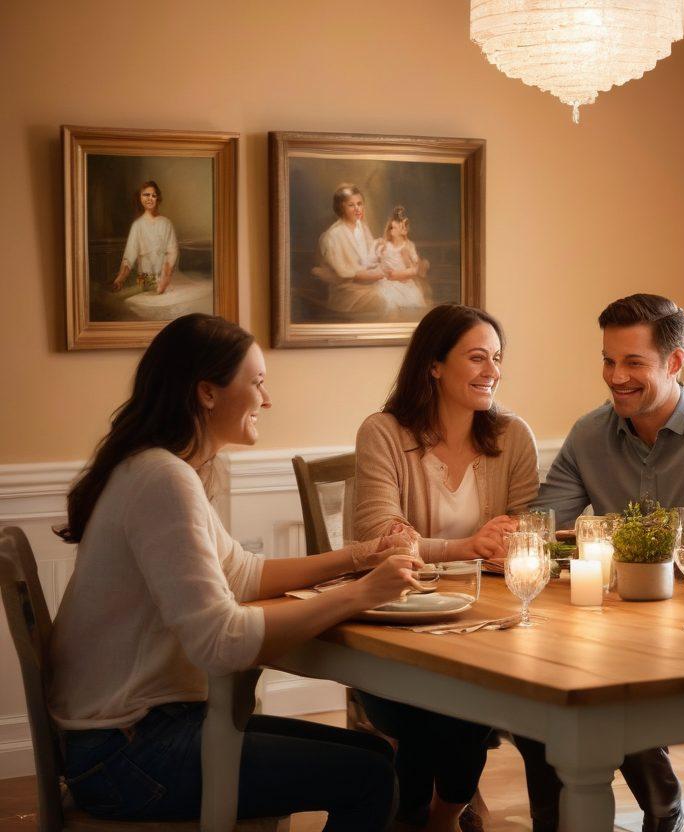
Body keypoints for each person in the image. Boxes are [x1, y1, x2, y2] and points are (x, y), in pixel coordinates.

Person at [48, 313, 426, 830]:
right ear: (207, 392)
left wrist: (360, 555)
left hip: (124, 739)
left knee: (378, 758)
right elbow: (219, 642)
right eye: (258, 383)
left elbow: (241, 573)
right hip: (127, 754)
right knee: (371, 776)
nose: (267, 400)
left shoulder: (159, 467)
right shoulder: (163, 479)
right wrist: (361, 594)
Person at [522, 293, 684, 832]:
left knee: (594, 674)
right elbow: (542, 530)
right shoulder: (589, 433)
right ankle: (571, 820)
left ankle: (661, 810)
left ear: (675, 361)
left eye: (633, 362)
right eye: (609, 360)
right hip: (618, 629)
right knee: (533, 686)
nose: (616, 376)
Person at [352, 303, 540, 832]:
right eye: (477, 358)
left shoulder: (513, 437)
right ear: (434, 365)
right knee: (439, 704)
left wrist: (512, 544)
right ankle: (438, 812)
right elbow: (380, 540)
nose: (492, 372)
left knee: (471, 688)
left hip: (486, 623)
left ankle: (436, 813)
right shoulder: (383, 433)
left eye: (497, 359)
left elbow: (529, 533)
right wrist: (470, 547)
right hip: (393, 625)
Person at [317, 184, 414, 319]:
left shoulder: (362, 227)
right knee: (388, 301)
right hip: (348, 291)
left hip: (371, 283)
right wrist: (376, 275)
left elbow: (372, 257)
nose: (357, 209)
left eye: (360, 204)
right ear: (341, 207)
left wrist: (382, 249)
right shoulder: (333, 236)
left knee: (407, 293)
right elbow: (343, 274)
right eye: (351, 205)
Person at [111, 180, 178, 295]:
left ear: (157, 199)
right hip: (144, 280)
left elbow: (172, 252)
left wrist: (164, 280)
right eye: (146, 195)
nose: (150, 198)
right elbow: (129, 256)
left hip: (164, 280)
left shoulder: (166, 223)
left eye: (153, 195)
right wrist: (120, 279)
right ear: (140, 198)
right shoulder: (137, 225)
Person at [375, 205, 432, 308]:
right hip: (388, 282)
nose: (404, 228)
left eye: (404, 226)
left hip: (404, 281)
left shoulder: (408, 246)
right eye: (394, 227)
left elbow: (414, 269)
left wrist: (399, 274)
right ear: (390, 230)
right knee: (389, 300)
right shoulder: (385, 246)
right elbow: (378, 263)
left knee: (412, 299)